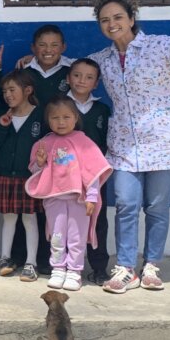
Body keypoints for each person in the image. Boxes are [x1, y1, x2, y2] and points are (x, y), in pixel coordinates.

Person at [89, 0, 170, 294]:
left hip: (165, 142)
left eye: (118, 17)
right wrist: (37, 62)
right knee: (126, 203)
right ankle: (125, 268)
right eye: (105, 20)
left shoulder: (160, 46)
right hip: (124, 144)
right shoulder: (103, 59)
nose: (112, 24)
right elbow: (75, 71)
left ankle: (151, 265)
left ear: (132, 18)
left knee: (157, 206)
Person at [25, 95, 112, 292]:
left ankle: (74, 271)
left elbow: (93, 172)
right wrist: (40, 162)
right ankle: (58, 268)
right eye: (55, 118)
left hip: (79, 200)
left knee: (76, 237)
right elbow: (36, 172)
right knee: (57, 236)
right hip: (54, 199)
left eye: (66, 117)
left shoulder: (83, 142)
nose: (61, 122)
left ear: (75, 118)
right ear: (48, 120)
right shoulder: (44, 143)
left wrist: (91, 197)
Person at [0, 70, 44, 282]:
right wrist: (2, 127)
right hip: (5, 175)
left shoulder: (40, 116)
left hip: (29, 177)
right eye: (5, 91)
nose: (8, 95)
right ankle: (5, 258)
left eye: (12, 90)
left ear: (27, 90)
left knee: (30, 218)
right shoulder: (4, 116)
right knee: (9, 218)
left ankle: (31, 263)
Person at [66, 58, 112, 285]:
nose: (81, 80)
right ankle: (63, 265)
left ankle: (99, 267)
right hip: (66, 175)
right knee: (63, 220)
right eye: (77, 75)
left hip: (95, 176)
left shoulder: (102, 110)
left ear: (96, 83)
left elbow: (106, 142)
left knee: (97, 219)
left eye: (89, 77)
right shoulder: (59, 106)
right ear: (68, 78)